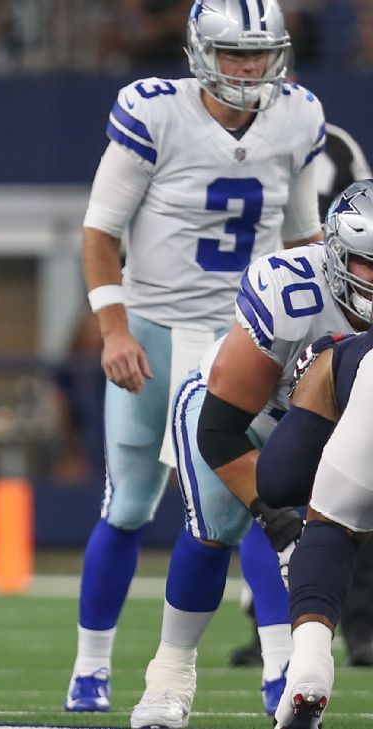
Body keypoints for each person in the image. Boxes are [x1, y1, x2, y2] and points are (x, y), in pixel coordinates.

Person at [66, 0, 327, 715]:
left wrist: (312, 333)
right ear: (200, 53)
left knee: (253, 495)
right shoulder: (154, 112)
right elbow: (99, 230)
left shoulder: (298, 116)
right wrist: (114, 330)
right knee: (129, 505)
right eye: (234, 55)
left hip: (249, 334)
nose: (248, 68)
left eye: (259, 53)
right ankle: (91, 663)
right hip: (154, 327)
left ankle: (280, 665)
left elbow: (305, 238)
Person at [127, 181, 373, 728]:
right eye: (367, 265)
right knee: (215, 528)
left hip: (336, 428)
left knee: (322, 547)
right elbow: (219, 429)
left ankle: (290, 677)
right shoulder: (290, 289)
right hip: (248, 416)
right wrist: (275, 515)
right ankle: (168, 678)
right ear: (337, 256)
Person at [228, 119, 373, 668]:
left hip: (339, 331)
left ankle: (345, 632)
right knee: (285, 491)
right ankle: (274, 631)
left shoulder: (334, 143)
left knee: (336, 493)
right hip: (289, 311)